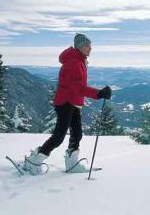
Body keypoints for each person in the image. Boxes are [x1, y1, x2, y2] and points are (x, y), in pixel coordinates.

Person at [22, 33, 112, 175]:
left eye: (90, 46)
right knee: (58, 136)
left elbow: (78, 87)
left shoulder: (79, 60)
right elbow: (77, 87)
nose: (90, 48)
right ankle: (33, 162)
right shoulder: (74, 63)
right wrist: (99, 93)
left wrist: (97, 93)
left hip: (72, 102)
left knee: (77, 134)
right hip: (65, 102)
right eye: (88, 45)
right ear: (80, 47)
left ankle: (72, 163)